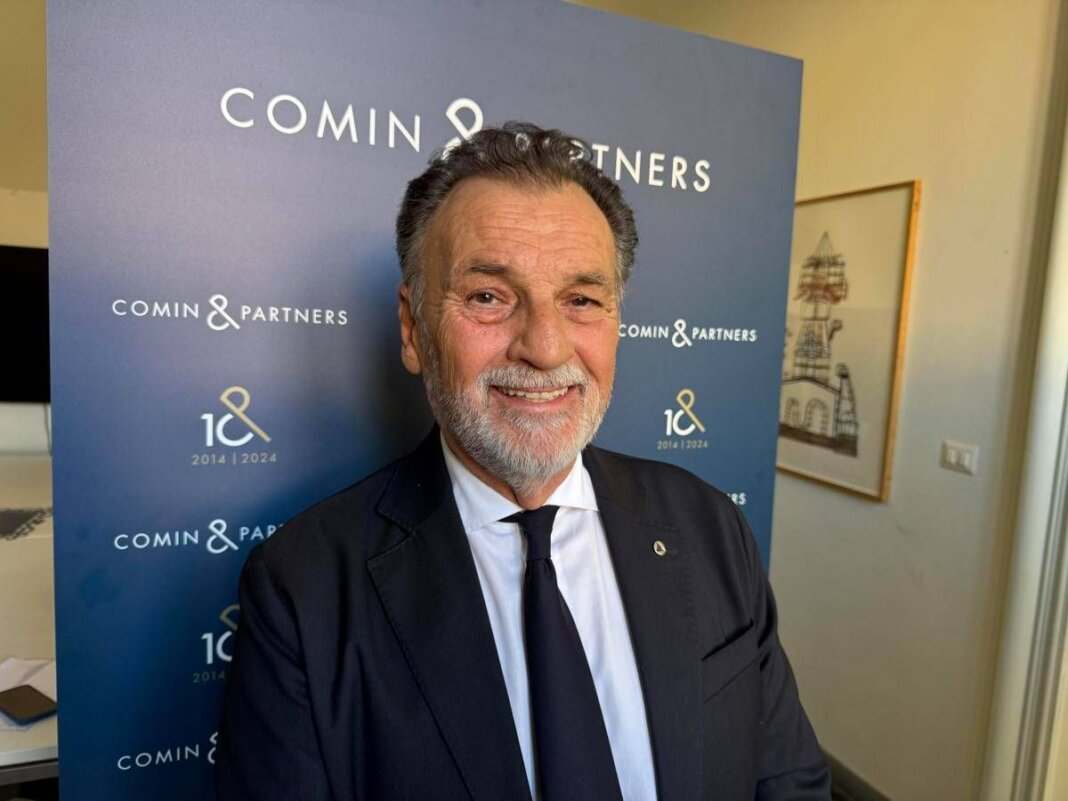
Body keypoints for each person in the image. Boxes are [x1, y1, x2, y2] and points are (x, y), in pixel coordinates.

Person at [216, 122, 830, 801]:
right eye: (488, 296)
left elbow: (790, 782)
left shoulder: (707, 523)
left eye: (581, 300)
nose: (544, 346)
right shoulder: (303, 587)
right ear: (414, 329)